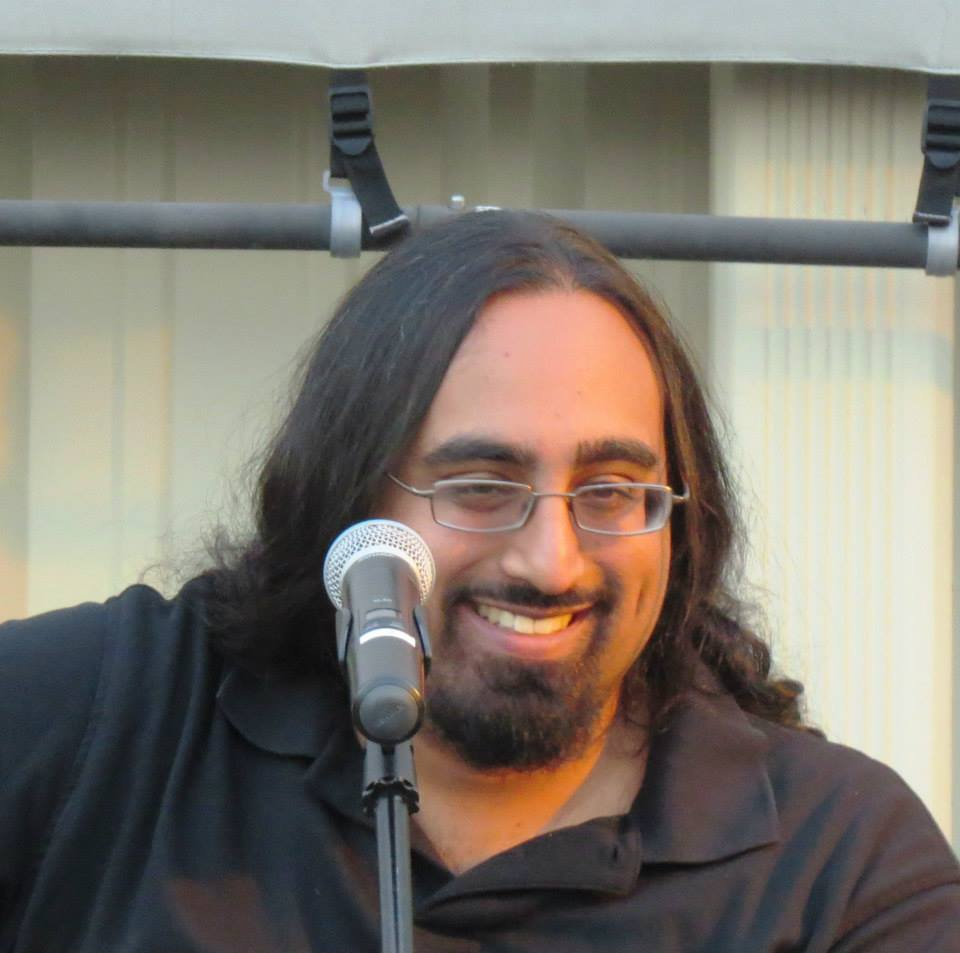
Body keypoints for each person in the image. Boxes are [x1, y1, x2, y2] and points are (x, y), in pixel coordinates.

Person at [1, 210, 958, 953]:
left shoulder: (841, 860)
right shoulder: (112, 712)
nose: (552, 560)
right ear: (349, 492)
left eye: (611, 490)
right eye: (482, 486)